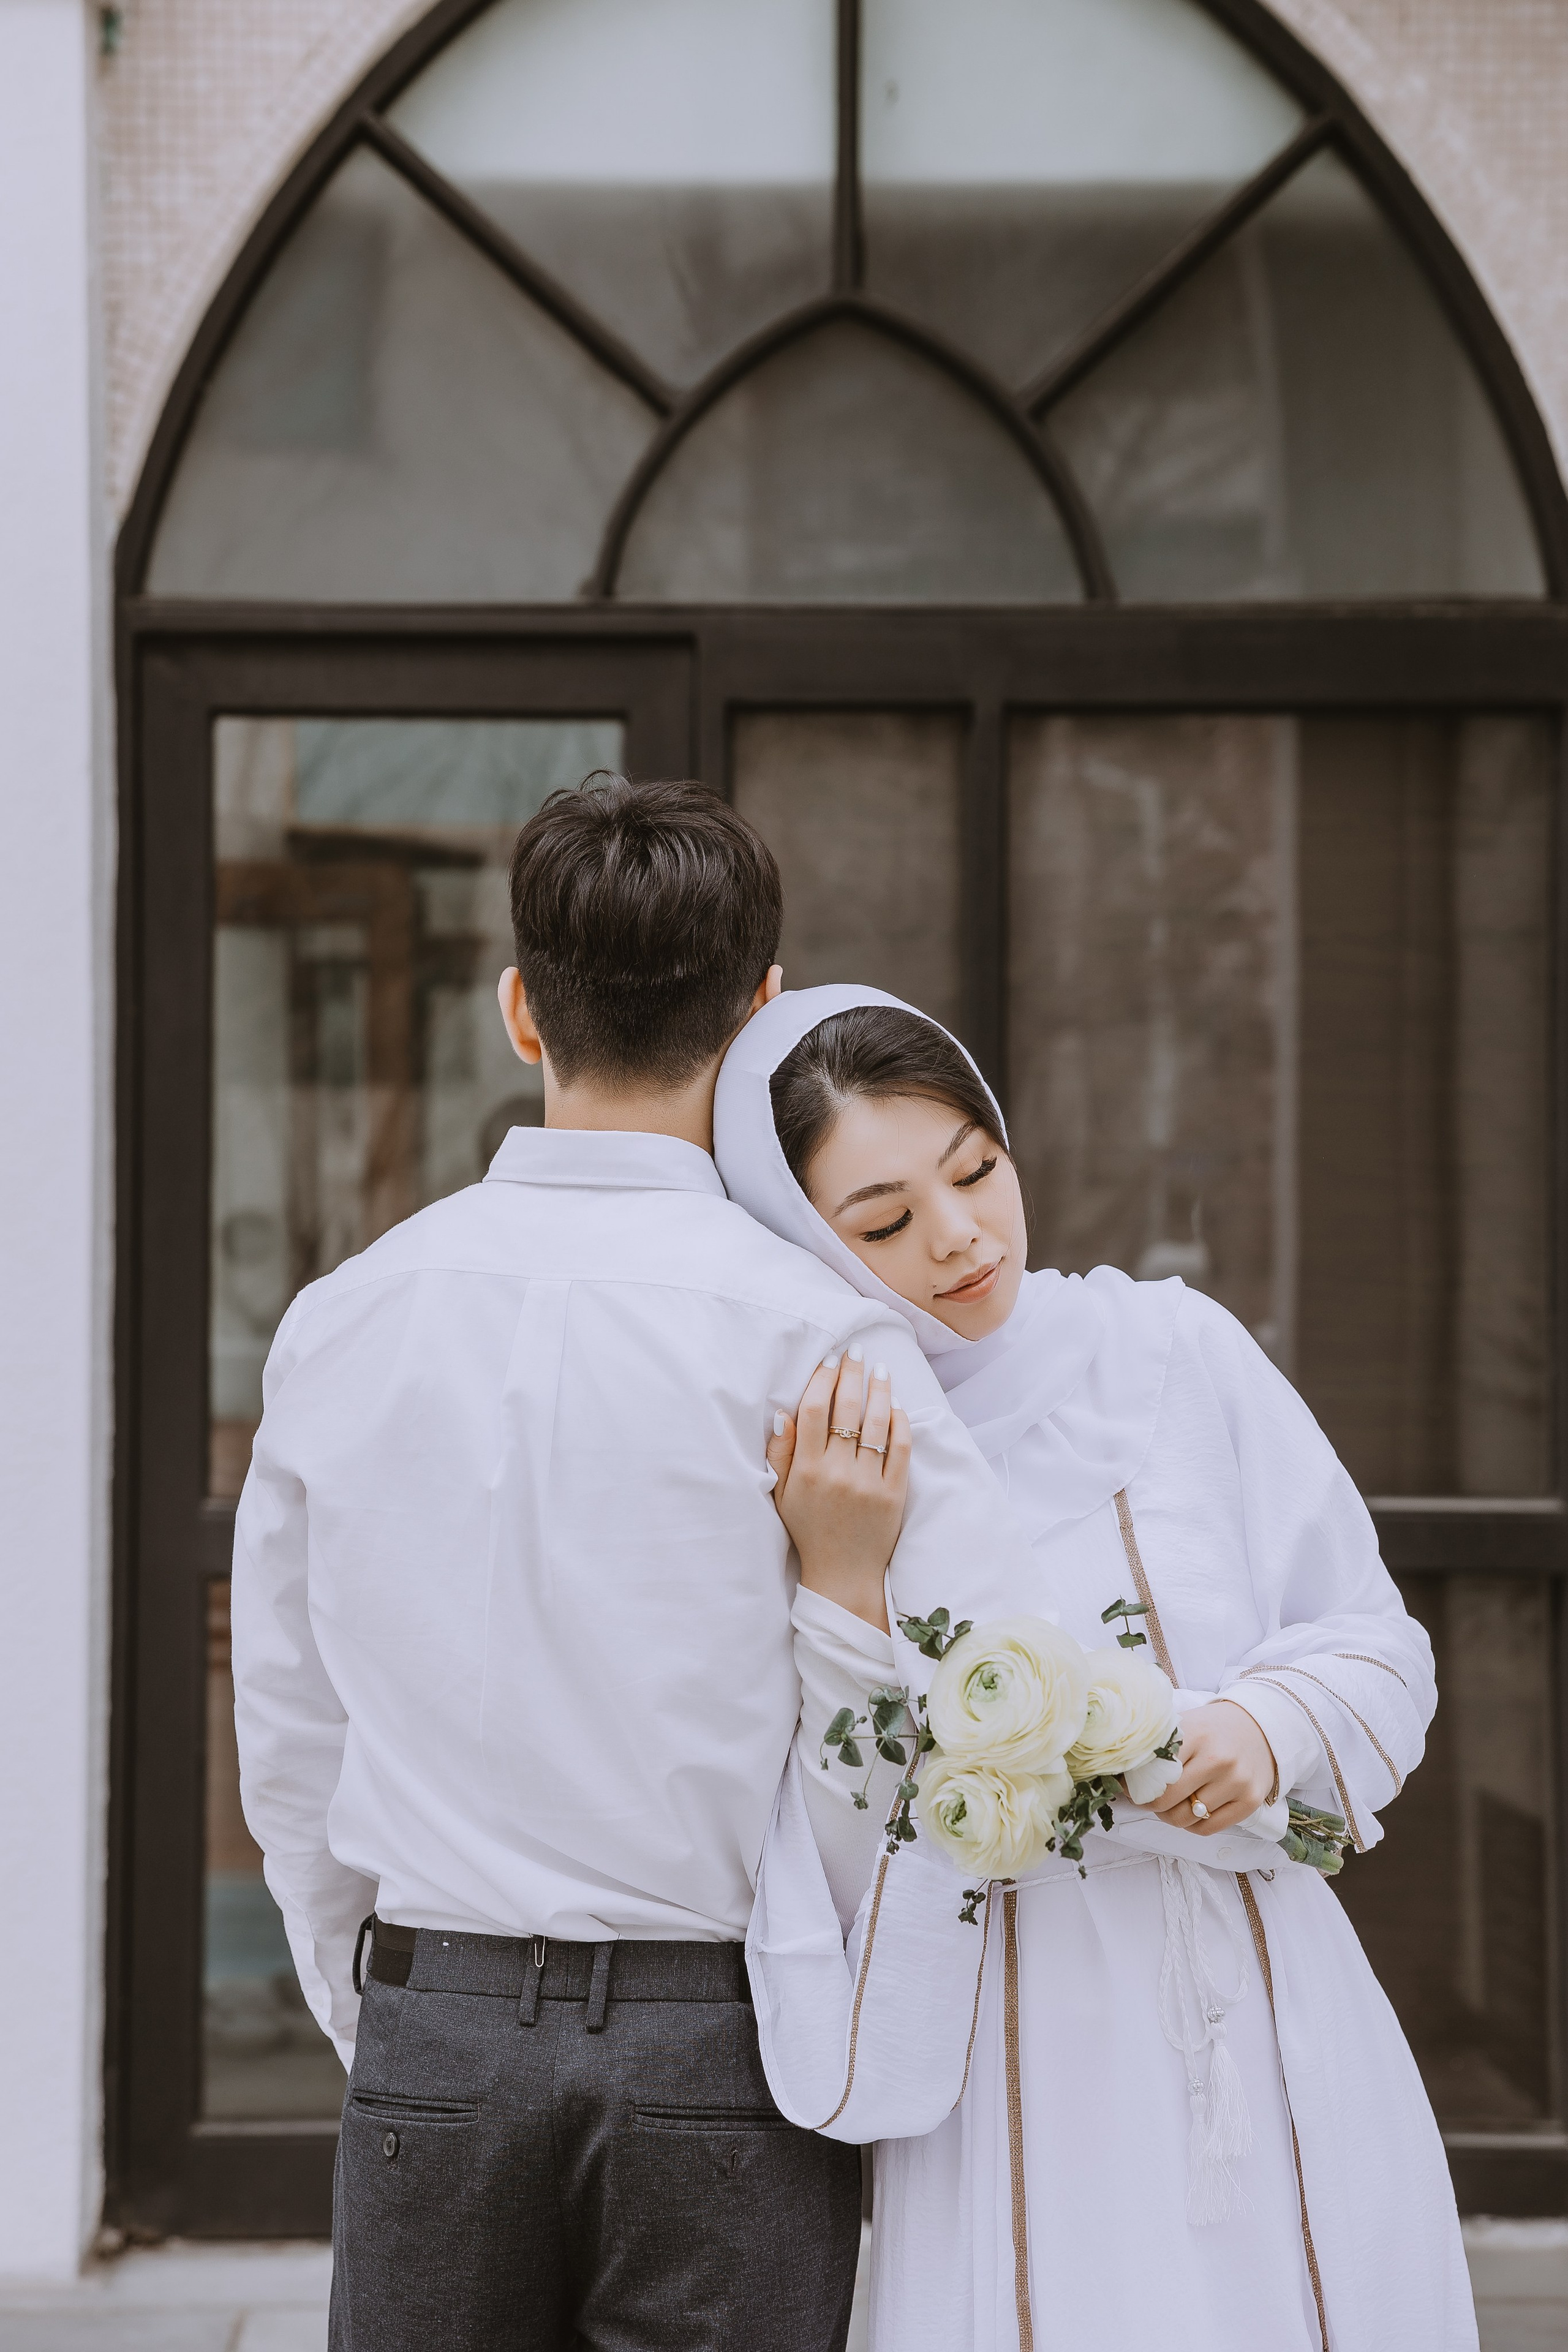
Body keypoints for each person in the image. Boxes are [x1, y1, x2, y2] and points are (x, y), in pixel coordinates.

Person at [231, 789, 1035, 2352]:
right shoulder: (815, 1336)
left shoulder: (346, 1318)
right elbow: (975, 1704)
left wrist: (387, 2010)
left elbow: (288, 1730)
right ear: (757, 1015)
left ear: (519, 1006)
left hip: (433, 2019)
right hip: (724, 2048)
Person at [714, 984, 1477, 2352]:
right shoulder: (818, 1449)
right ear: (795, 1241)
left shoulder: (1166, 1348)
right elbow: (815, 1816)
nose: (958, 1239)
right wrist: (838, 1575)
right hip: (1012, 2041)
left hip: (1265, 1993)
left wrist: (1269, 1719)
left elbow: (1374, 1637)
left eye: (975, 1170)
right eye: (881, 1223)